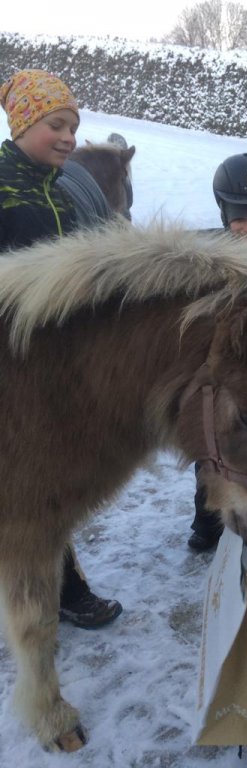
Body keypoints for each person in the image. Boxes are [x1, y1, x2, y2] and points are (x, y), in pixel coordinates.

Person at [0, 68, 123, 629]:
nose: (70, 138)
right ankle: (60, 590)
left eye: (73, 126)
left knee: (45, 488)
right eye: (56, 125)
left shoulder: (61, 194)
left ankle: (60, 586)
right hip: (10, 363)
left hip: (50, 363)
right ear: (22, 121)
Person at [187, 152, 247, 551]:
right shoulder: (206, 260)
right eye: (239, 220)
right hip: (218, 373)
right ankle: (207, 518)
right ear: (224, 215)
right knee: (210, 452)